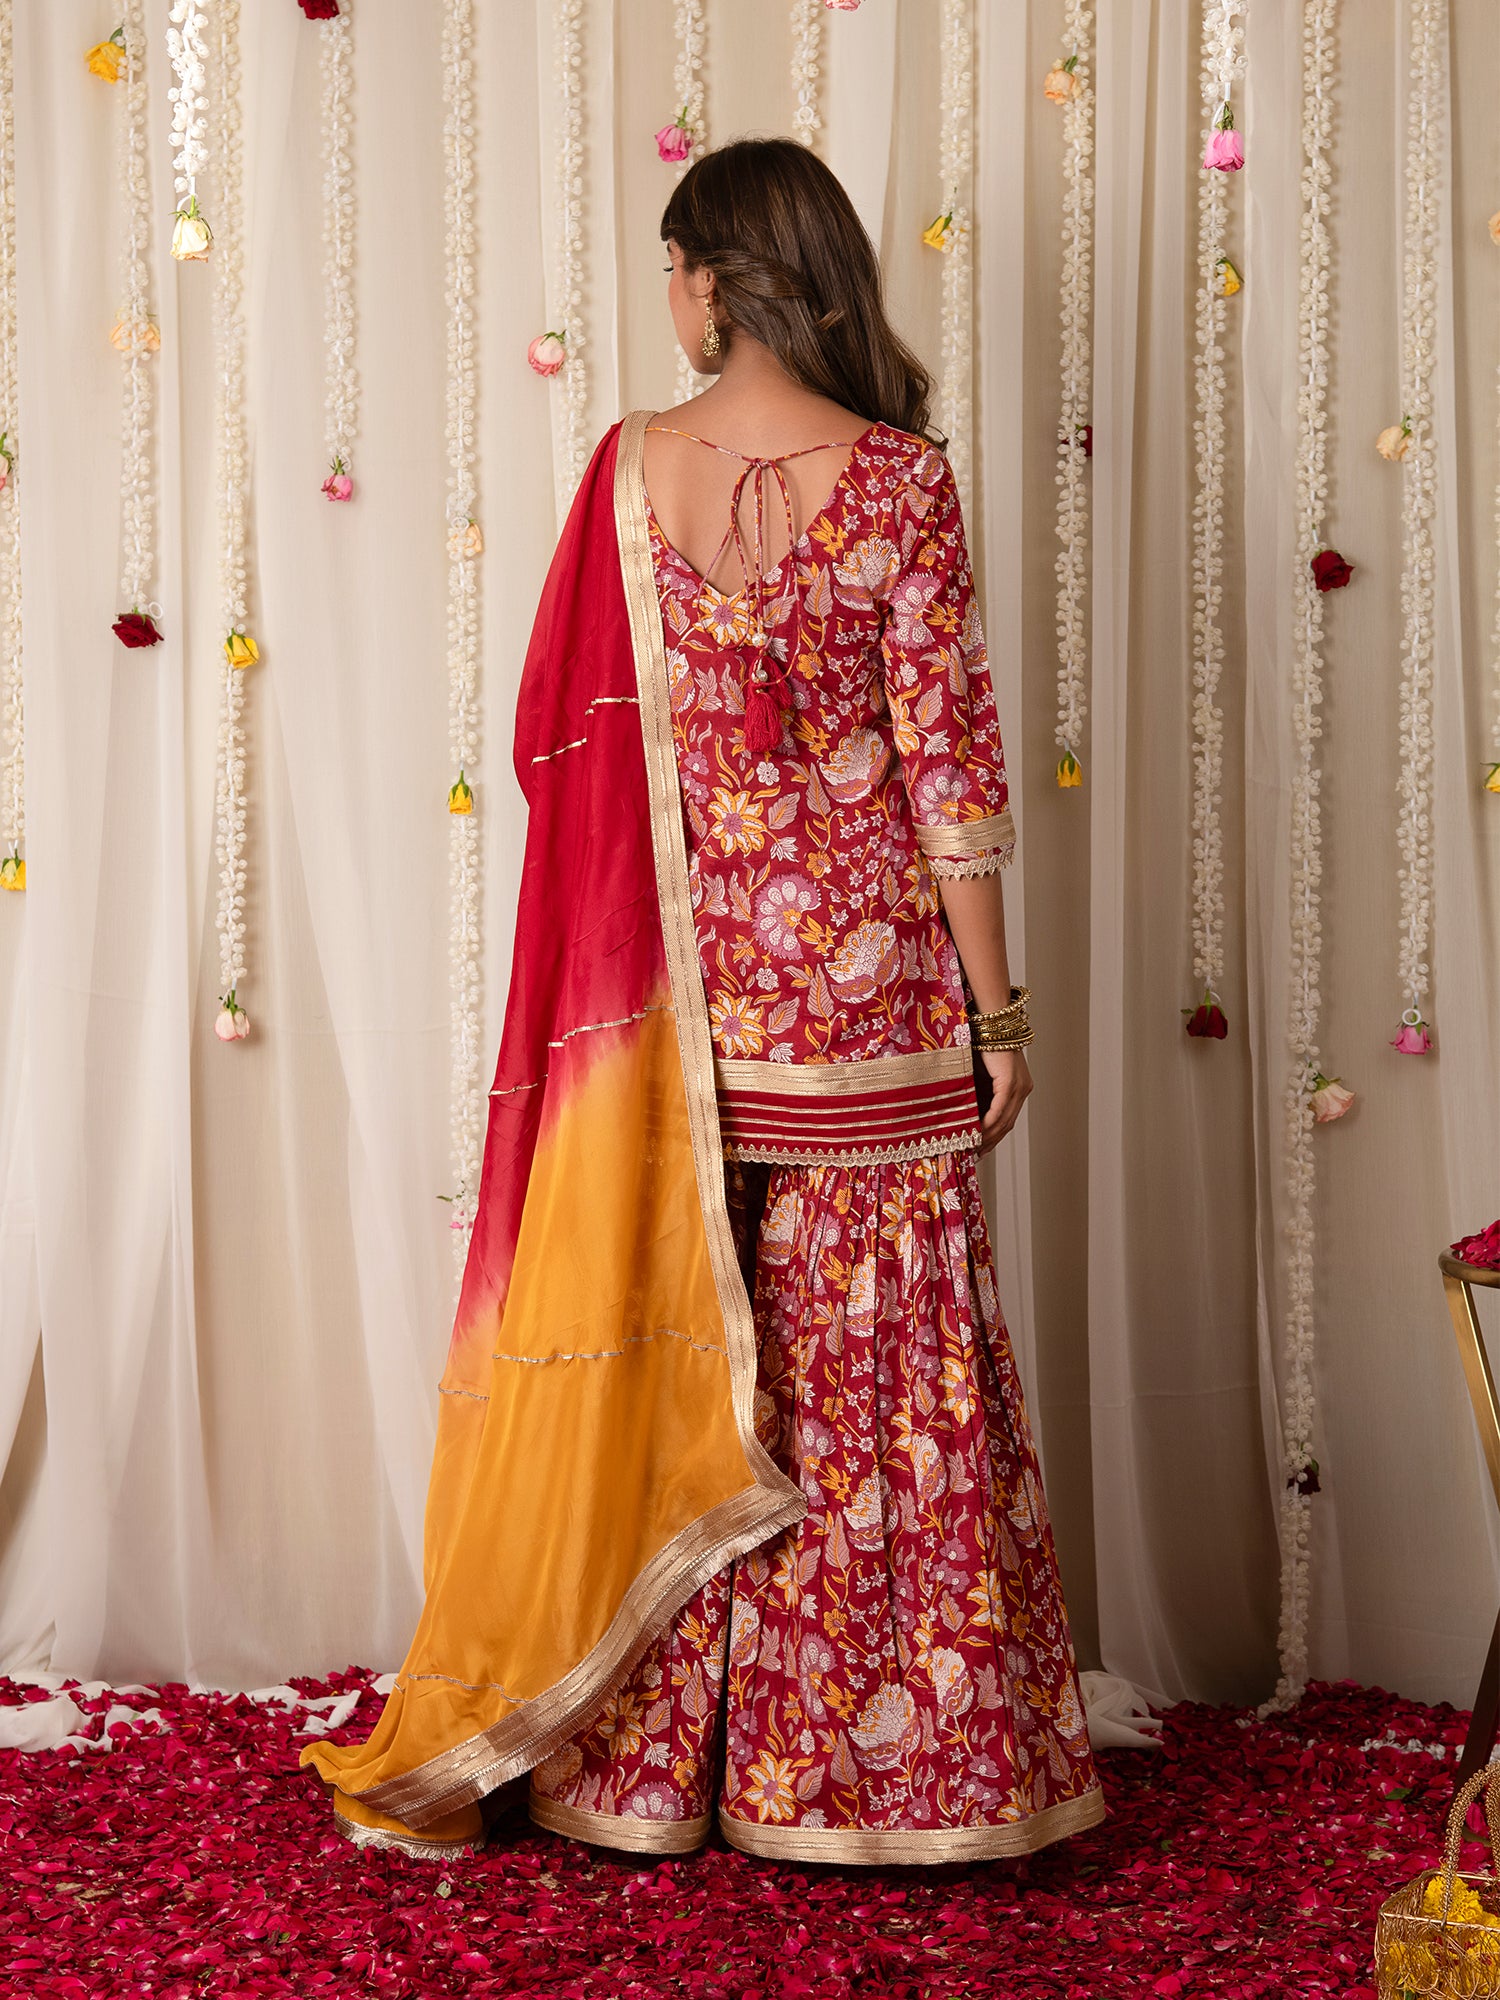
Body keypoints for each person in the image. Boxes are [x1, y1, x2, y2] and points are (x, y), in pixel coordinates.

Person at [303, 136, 1102, 1865]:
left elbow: (558, 743)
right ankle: (889, 1783)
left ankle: (653, 1776)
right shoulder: (900, 481)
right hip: (875, 1007)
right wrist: (999, 1014)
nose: (663, 301)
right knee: (879, 1378)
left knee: (699, 1356)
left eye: (669, 272)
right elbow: (950, 774)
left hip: (687, 1020)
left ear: (712, 280)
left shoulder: (624, 472)